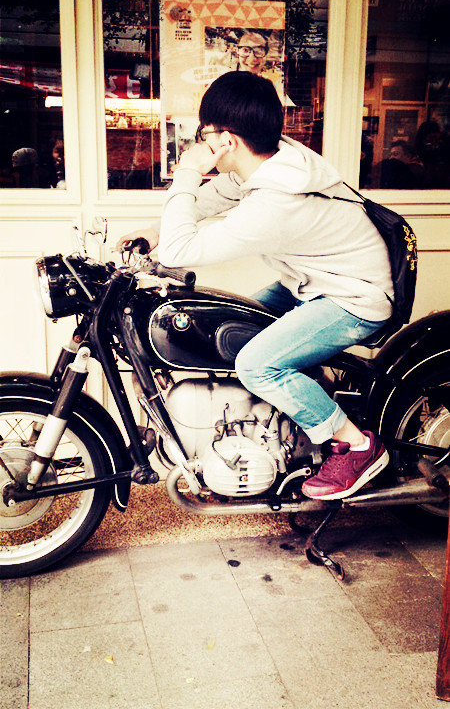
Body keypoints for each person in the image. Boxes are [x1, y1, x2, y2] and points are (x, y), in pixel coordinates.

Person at [118, 71, 393, 500]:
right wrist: (153, 230)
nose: (201, 143)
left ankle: (357, 446)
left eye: (204, 133)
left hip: (354, 295)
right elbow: (216, 196)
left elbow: (178, 249)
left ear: (225, 140)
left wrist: (187, 171)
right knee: (231, 330)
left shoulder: (277, 201)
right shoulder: (272, 161)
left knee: (255, 364)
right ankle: (297, 411)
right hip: (314, 282)